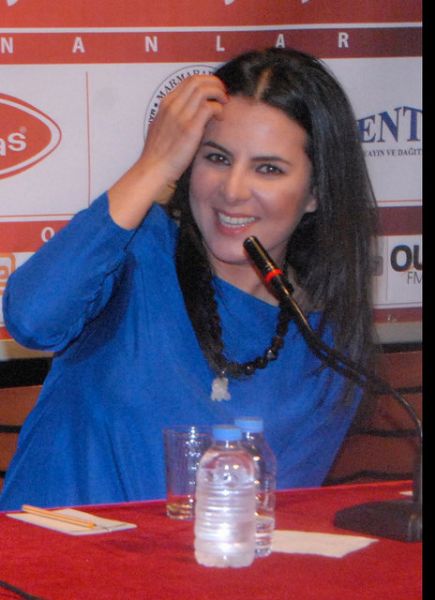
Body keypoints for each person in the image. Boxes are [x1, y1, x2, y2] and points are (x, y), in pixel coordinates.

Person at [0, 48, 378, 510]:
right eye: (216, 158)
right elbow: (31, 319)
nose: (232, 190)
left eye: (268, 169)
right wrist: (153, 165)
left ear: (315, 192)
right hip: (43, 553)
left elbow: (270, 523)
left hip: (191, 560)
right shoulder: (134, 247)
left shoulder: (324, 345)